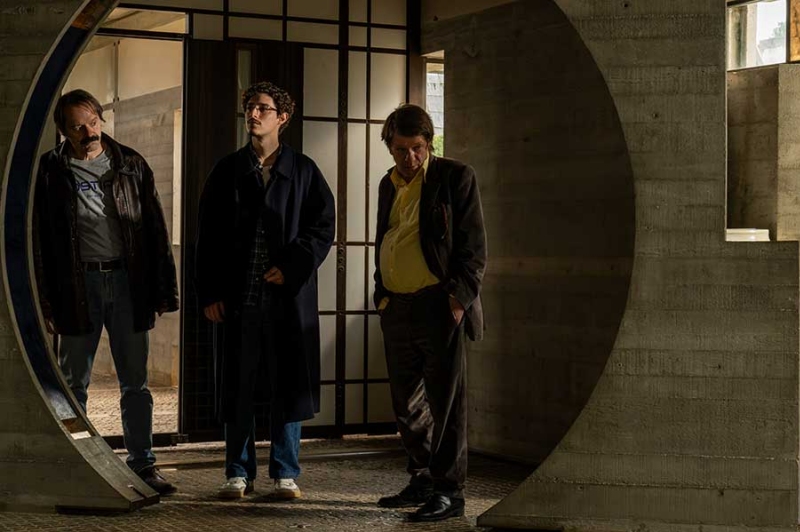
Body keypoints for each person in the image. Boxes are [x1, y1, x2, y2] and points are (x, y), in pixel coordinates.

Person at [33, 89, 179, 495]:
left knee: (135, 383)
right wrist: (45, 300)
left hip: (128, 284)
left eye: (93, 122)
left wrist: (163, 291)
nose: (89, 132)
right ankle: (76, 462)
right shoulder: (50, 170)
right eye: (78, 127)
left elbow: (154, 229)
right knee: (72, 384)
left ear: (101, 119)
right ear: (64, 131)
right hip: (77, 286)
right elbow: (38, 239)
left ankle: (143, 464)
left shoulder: (130, 164)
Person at [195, 81, 335, 500]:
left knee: (288, 385)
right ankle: (237, 473)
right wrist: (210, 293)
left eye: (263, 108)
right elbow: (208, 237)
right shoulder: (227, 170)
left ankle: (285, 472)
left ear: (283, 117)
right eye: (250, 107)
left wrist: (292, 266)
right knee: (237, 385)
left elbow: (322, 228)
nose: (253, 115)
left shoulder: (303, 170)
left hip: (287, 301)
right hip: (239, 300)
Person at [373, 104, 487, 522]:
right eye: (401, 149)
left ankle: (449, 492)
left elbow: (474, 248)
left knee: (447, 403)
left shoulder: (455, 176)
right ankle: (422, 477)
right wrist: (381, 294)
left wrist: (457, 299)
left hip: (439, 305)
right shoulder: (387, 184)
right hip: (396, 306)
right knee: (406, 403)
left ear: (429, 143)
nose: (410, 157)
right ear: (390, 146)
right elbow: (386, 236)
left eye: (417, 148)